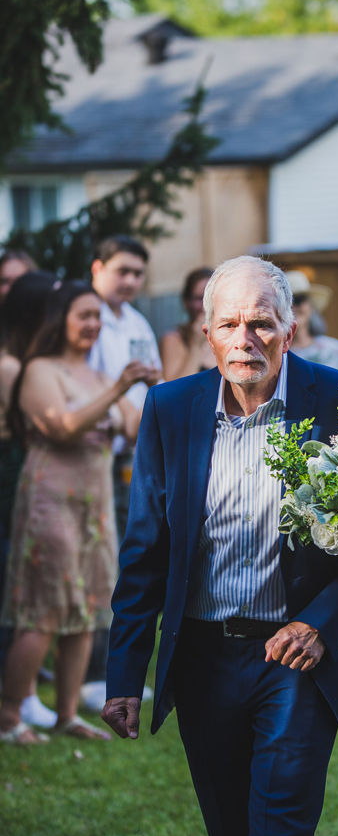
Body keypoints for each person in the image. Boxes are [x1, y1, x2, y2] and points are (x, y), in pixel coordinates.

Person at [102, 255, 338, 836]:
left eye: (261, 324)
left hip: (294, 658)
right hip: (203, 661)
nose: (246, 339)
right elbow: (145, 551)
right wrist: (123, 672)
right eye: (230, 324)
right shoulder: (170, 409)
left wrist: (320, 623)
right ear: (206, 334)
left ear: (289, 331)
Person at [0, 281, 150, 745]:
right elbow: (60, 427)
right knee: (44, 611)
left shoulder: (96, 375)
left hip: (95, 506)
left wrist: (157, 389)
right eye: (83, 315)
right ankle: (8, 716)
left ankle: (66, 714)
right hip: (51, 502)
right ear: (59, 320)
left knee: (88, 610)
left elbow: (133, 425)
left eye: (96, 318)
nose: (92, 325)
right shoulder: (39, 370)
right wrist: (120, 387)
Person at [84, 234, 160, 712]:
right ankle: (94, 673)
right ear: (97, 268)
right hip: (95, 451)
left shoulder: (136, 322)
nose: (130, 281)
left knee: (128, 560)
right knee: (100, 564)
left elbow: (152, 382)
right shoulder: (83, 315)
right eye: (121, 271)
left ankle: (111, 666)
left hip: (133, 455)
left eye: (137, 273)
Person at [0, 271, 59, 727]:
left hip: (19, 475)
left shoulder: (28, 363)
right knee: (21, 590)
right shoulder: (12, 367)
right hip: (10, 479)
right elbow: (54, 426)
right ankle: (12, 701)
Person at [286, 269, 338, 376]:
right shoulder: (277, 353)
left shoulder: (333, 349)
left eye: (298, 300)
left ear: (311, 306)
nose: (293, 307)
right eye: (287, 302)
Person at [159, 266, 216, 381]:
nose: (205, 307)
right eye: (199, 299)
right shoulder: (174, 339)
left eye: (211, 299)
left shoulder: (228, 337)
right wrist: (195, 345)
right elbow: (174, 391)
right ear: (186, 302)